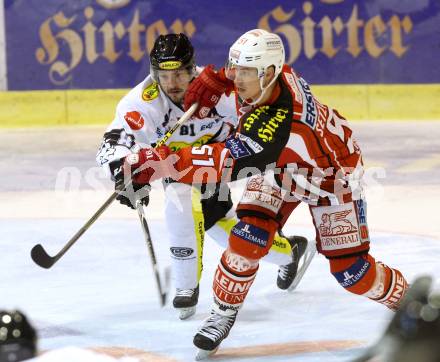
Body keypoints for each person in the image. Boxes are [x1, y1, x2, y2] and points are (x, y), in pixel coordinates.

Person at [119, 28, 409, 358]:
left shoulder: (279, 121)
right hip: (282, 167)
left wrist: (162, 162)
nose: (237, 80)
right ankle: (223, 313)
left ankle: (414, 305)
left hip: (331, 176)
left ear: (269, 73)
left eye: (245, 73)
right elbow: (230, 78)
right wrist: (217, 78)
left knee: (353, 272)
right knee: (247, 236)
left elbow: (227, 161)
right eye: (236, 70)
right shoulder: (270, 75)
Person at [96, 33, 312, 320]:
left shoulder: (220, 91)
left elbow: (260, 115)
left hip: (221, 162)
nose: (172, 84)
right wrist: (122, 170)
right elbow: (114, 141)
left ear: (192, 69)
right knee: (219, 226)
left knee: (197, 214)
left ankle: (188, 287)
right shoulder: (140, 103)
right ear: (153, 73)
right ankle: (286, 254)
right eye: (164, 75)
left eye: (180, 74)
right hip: (177, 167)